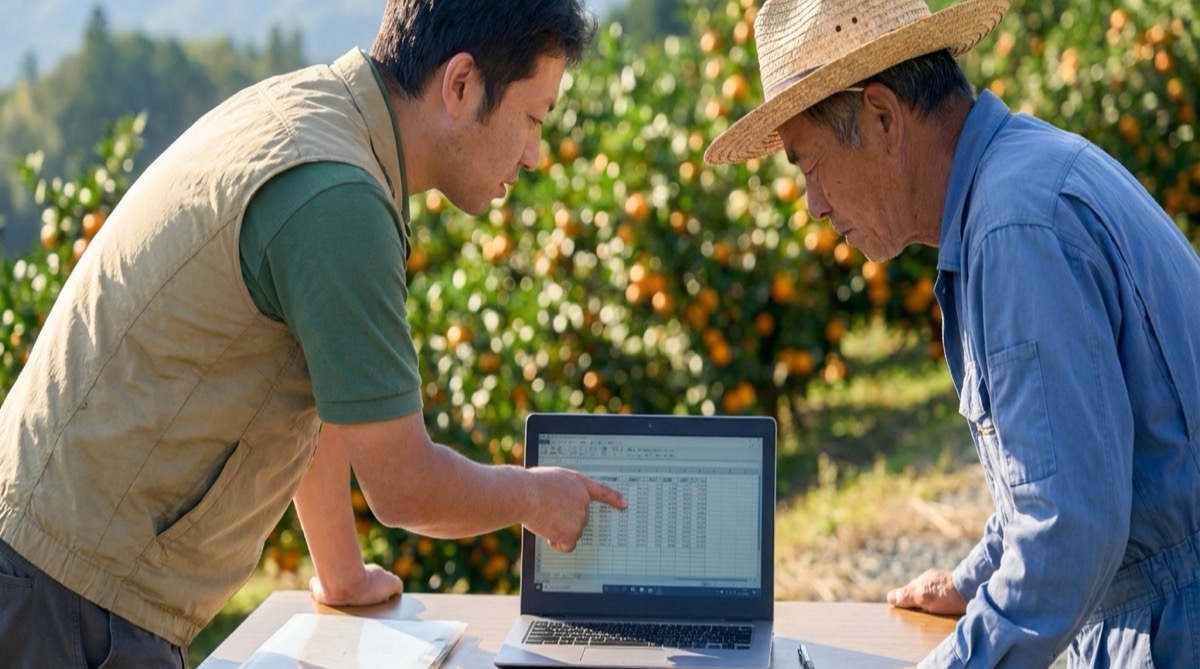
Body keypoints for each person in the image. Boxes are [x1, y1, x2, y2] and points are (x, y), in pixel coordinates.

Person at [0, 1, 627, 666]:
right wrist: (533, 495)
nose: (533, 154)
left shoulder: (315, 117)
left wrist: (342, 571)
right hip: (70, 602)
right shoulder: (340, 200)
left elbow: (312, 371)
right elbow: (404, 484)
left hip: (57, 575)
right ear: (461, 85)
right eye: (532, 118)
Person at [706, 0, 1200, 666]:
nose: (814, 204)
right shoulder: (1015, 184)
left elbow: (1068, 537)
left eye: (807, 165)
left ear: (882, 116)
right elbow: (1066, 457)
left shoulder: (1014, 231)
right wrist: (976, 574)